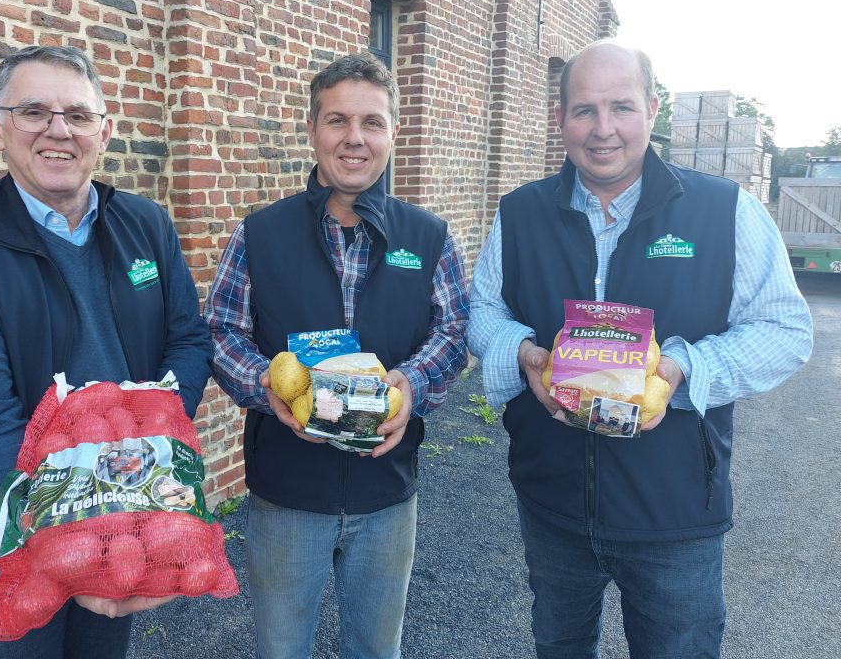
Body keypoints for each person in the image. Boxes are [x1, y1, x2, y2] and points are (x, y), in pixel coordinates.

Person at [468, 39, 813, 658]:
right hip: (553, 503)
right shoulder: (519, 214)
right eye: (584, 110)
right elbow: (484, 310)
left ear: (652, 110)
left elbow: (786, 329)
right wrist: (523, 353)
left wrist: (682, 368)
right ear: (561, 119)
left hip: (673, 511)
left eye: (621, 107)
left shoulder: (724, 210)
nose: (603, 130)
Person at [0, 45, 213, 658]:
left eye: (78, 114)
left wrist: (153, 453)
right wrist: (66, 539)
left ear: (104, 131)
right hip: (6, 531)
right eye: (34, 111)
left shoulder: (147, 225)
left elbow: (187, 340)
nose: (58, 130)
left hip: (123, 509)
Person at [204, 51, 469, 659]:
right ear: (312, 130)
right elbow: (221, 331)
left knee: (376, 651)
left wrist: (411, 383)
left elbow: (454, 331)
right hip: (287, 494)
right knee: (282, 650)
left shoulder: (427, 236)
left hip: (387, 492)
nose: (355, 138)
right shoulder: (260, 233)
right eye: (337, 121)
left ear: (393, 132)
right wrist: (265, 389)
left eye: (372, 122)